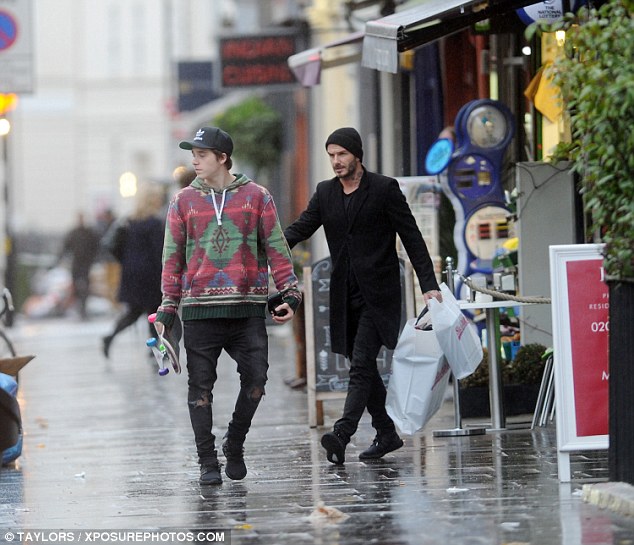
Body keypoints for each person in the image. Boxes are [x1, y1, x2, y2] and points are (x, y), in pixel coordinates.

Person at [153, 126, 301, 486]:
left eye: (201, 154)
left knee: (256, 380)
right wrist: (167, 308)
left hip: (247, 309)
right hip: (199, 311)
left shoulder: (257, 197)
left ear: (222, 158)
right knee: (200, 389)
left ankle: (234, 443)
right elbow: (172, 259)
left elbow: (277, 248)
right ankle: (207, 461)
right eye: (193, 154)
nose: (194, 160)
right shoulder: (183, 201)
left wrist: (290, 293)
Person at [284, 127, 442, 465]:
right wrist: (263, 246)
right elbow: (300, 229)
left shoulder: (384, 189)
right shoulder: (326, 192)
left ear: (357, 154)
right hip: (343, 294)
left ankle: (342, 433)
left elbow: (412, 237)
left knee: (360, 363)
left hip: (379, 294)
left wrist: (429, 284)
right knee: (363, 365)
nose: (336, 161)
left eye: (341, 154)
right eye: (331, 155)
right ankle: (386, 434)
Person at [102, 184, 166, 359]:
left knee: (136, 311)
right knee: (153, 310)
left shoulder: (130, 221)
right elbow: (158, 251)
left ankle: (111, 337)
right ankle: (154, 349)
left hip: (131, 272)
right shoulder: (154, 223)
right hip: (150, 273)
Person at [56, 212, 101, 319]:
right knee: (77, 286)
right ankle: (80, 308)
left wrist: (94, 258)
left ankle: (83, 308)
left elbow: (96, 246)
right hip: (77, 263)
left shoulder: (88, 233)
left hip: (85, 263)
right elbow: (66, 247)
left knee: (85, 286)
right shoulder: (74, 233)